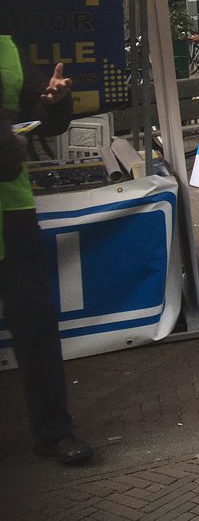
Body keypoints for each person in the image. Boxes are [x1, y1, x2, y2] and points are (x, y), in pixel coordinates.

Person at [0, 39, 93, 464]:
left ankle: (54, 433)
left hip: (12, 212)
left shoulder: (8, 48)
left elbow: (42, 119)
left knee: (36, 326)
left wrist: (54, 100)